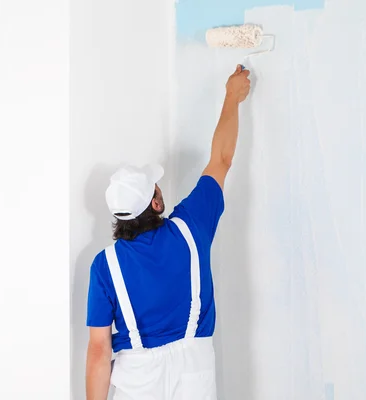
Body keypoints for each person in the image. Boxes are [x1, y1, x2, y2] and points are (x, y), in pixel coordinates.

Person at [85, 65, 251, 400]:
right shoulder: (191, 226)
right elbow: (221, 159)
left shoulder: (105, 266)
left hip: (137, 380)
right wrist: (233, 97)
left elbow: (100, 351)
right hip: (195, 371)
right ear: (156, 203)